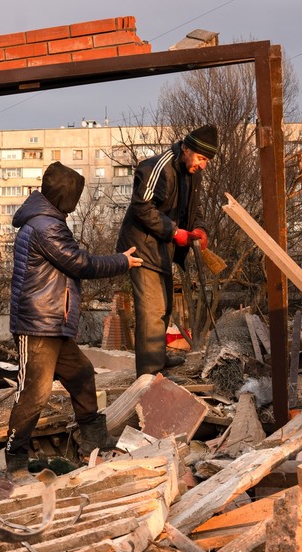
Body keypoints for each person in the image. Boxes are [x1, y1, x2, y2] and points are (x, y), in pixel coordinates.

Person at [6, 161, 143, 479]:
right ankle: (14, 461)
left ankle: (93, 440)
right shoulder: (44, 225)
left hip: (52, 322)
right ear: (65, 196)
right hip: (37, 325)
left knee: (81, 374)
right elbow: (79, 263)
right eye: (75, 196)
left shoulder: (48, 221)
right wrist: (122, 261)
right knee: (34, 394)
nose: (76, 202)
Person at [116, 124, 218, 378]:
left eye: (207, 160)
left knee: (165, 306)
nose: (203, 165)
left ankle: (157, 356)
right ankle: (151, 373)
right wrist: (175, 232)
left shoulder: (193, 172)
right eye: (201, 158)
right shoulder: (156, 167)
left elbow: (196, 209)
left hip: (162, 249)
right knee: (152, 309)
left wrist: (200, 229)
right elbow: (141, 207)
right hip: (141, 248)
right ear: (186, 149)